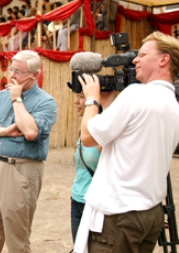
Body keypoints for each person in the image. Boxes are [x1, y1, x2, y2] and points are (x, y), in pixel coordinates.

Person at [74, 31, 179, 253]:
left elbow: (88, 137)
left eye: (142, 54)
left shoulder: (136, 95)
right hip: (150, 212)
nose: (135, 60)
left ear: (163, 59)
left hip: (119, 216)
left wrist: (92, 98)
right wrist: (107, 103)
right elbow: (119, 141)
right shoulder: (173, 105)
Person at [0, 50, 57, 253]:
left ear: (34, 75)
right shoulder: (1, 96)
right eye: (11, 69)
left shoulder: (46, 102)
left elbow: (29, 131)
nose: (11, 75)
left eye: (18, 72)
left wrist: (17, 100)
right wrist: (4, 131)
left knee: (16, 236)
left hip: (20, 170)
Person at [68, 89, 115, 244]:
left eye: (82, 97)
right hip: (77, 200)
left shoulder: (104, 134)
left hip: (95, 205)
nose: (76, 101)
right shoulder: (84, 130)